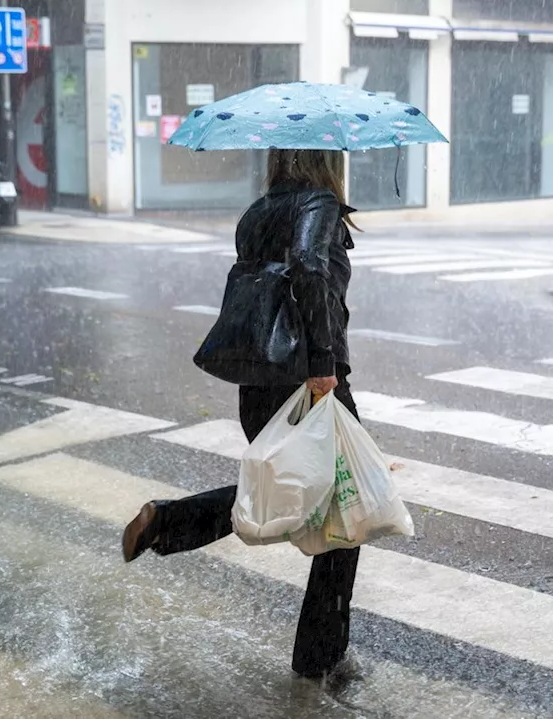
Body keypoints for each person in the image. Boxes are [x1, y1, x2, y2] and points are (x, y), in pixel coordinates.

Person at [120, 149, 360, 680]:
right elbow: (307, 264)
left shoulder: (258, 211)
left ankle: (168, 523)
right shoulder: (318, 203)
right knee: (345, 505)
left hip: (260, 380)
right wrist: (323, 364)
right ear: (328, 160)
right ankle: (320, 657)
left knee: (293, 491)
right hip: (309, 379)